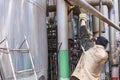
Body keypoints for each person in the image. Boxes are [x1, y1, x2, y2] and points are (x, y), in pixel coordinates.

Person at [71, 9, 108, 80]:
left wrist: (83, 18)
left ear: (96, 42)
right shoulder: (105, 55)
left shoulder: (90, 48)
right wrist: (92, 38)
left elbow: (83, 33)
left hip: (81, 77)